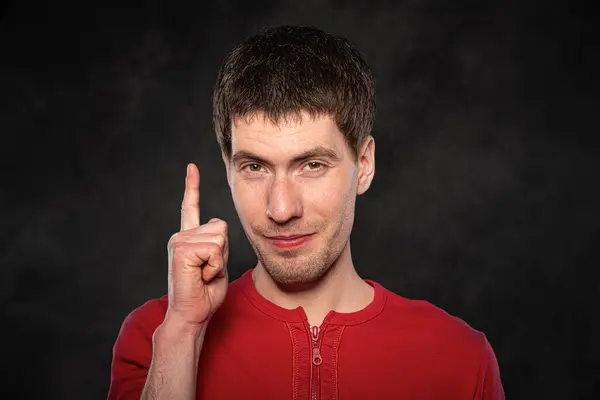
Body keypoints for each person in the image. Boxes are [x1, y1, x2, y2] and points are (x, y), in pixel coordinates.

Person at [108, 25, 505, 399]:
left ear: (364, 164)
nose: (281, 209)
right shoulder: (156, 335)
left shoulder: (459, 357)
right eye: (255, 167)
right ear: (227, 168)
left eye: (312, 165)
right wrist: (183, 333)